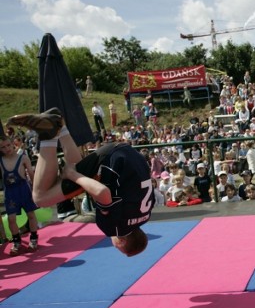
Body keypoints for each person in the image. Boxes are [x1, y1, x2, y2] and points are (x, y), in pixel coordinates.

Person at [6, 108, 152, 256]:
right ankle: (48, 135)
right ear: (122, 241)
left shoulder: (145, 216)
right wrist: (73, 175)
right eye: (117, 247)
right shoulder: (114, 228)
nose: (113, 244)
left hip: (126, 153)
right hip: (110, 161)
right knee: (41, 198)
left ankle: (60, 126)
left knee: (79, 176)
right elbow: (102, 192)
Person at [0, 135, 39, 255]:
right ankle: (16, 241)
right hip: (10, 192)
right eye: (3, 147)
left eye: (8, 145)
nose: (7, 149)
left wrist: (35, 190)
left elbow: (32, 175)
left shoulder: (23, 158)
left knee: (31, 214)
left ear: (13, 144)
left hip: (24, 189)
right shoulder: (1, 161)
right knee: (11, 219)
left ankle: (33, 238)